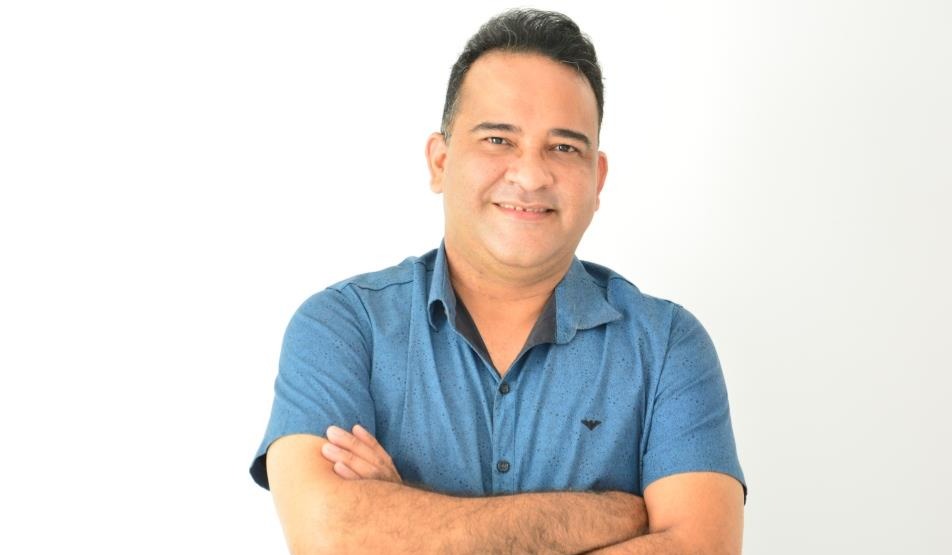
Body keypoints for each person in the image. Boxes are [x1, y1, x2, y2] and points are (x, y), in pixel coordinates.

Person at [250, 8, 746, 554]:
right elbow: (330, 535)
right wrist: (609, 516)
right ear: (440, 162)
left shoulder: (668, 346)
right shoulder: (344, 328)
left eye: (564, 147)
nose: (530, 176)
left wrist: (406, 517)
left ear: (597, 179)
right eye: (498, 140)